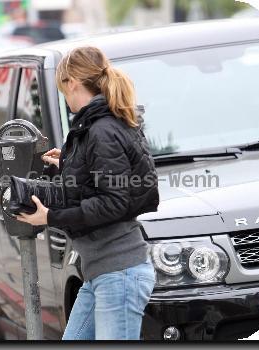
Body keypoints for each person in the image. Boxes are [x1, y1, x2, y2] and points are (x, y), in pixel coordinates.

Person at [16, 46, 159, 340]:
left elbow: (113, 202)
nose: (64, 96)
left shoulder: (101, 130)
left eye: (62, 88)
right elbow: (101, 183)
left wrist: (50, 216)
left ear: (73, 83)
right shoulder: (97, 125)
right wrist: (66, 165)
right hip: (101, 273)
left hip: (119, 272)